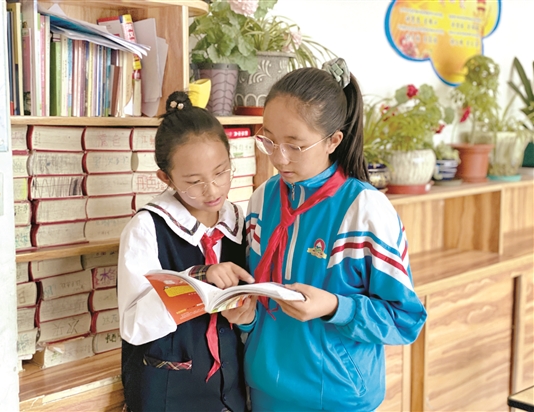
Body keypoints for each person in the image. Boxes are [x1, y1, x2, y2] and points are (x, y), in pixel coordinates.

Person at [223, 63, 428, 411]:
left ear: (334, 140)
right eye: (269, 140)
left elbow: (404, 320)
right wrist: (247, 315)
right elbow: (260, 303)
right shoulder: (262, 199)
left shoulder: (365, 210)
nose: (279, 157)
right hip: (265, 389)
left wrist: (335, 307)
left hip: (336, 397)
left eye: (295, 146)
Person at [118, 91, 255, 412]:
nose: (213, 189)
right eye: (194, 181)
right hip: (167, 395)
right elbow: (134, 325)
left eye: (221, 171)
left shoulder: (238, 221)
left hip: (231, 391)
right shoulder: (147, 228)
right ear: (166, 178)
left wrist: (246, 315)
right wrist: (199, 280)